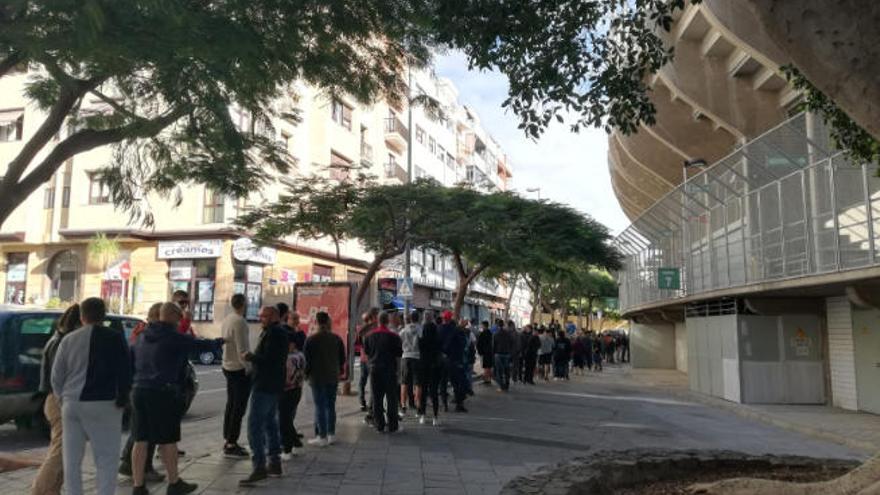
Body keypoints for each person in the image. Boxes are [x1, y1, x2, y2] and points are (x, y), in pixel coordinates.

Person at [130, 302, 221, 495]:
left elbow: (132, 360)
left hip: (139, 390)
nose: (179, 321)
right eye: (178, 317)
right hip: (162, 392)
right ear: (171, 316)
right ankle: (174, 483)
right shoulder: (173, 336)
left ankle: (138, 486)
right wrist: (220, 342)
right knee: (168, 440)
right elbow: (200, 345)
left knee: (141, 439)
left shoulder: (142, 335)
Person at [51, 297, 131, 495]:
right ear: (103, 315)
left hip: (72, 404)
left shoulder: (69, 339)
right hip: (105, 403)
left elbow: (57, 376)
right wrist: (123, 398)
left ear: (82, 316)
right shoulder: (114, 338)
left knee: (71, 459)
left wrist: (62, 399)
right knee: (106, 459)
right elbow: (125, 371)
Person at [32, 304, 81, 495]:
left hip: (56, 399)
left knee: (63, 450)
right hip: (60, 400)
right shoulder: (63, 343)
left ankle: (51, 490)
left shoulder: (58, 338)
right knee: (60, 452)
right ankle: (41, 490)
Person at [238, 306, 287, 486]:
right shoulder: (275, 332)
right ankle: (274, 462)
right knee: (270, 423)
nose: (261, 319)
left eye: (264, 316)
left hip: (265, 385)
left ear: (274, 316)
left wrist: (250, 356)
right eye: (260, 316)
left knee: (254, 426)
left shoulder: (274, 334)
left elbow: (270, 360)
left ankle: (259, 466)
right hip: (272, 385)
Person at [118, 303, 163, 481]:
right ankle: (142, 467)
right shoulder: (150, 335)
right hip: (147, 386)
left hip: (137, 385)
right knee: (147, 430)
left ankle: (130, 462)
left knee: (140, 428)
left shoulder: (140, 333)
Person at [303, 311, 345, 446]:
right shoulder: (336, 339)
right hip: (332, 376)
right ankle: (331, 434)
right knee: (330, 406)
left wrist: (305, 374)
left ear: (316, 322)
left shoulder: (311, 340)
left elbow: (306, 360)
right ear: (328, 322)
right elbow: (342, 358)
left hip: (316, 377)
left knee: (320, 406)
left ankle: (321, 436)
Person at [221, 294, 251, 459]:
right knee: (238, 407)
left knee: (231, 404)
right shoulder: (240, 322)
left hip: (227, 365)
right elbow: (242, 349)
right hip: (238, 368)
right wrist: (249, 368)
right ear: (244, 304)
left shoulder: (227, 319)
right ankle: (232, 443)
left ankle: (228, 439)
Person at [365, 311, 403, 433]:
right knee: (391, 398)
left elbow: (367, 353)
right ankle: (393, 425)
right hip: (389, 370)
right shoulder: (394, 337)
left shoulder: (369, 336)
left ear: (378, 321)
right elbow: (398, 355)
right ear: (388, 321)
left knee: (376, 398)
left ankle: (379, 424)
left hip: (374, 369)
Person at [279, 331, 305, 460]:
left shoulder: (288, 358)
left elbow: (285, 378)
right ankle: (296, 441)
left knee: (284, 420)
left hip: (286, 391)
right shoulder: (300, 355)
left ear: (292, 344)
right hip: (297, 390)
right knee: (287, 418)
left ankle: (287, 449)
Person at [418, 310, 443, 426]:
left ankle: (422, 415)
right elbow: (440, 347)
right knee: (434, 391)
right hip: (435, 365)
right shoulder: (437, 331)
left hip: (423, 364)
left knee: (423, 390)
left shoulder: (422, 331)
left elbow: (419, 346)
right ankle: (435, 417)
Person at [440, 311, 468, 412]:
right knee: (456, 383)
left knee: (443, 383)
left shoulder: (439, 329)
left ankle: (444, 405)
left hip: (442, 360)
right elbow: (462, 345)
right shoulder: (456, 330)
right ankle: (459, 405)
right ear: (451, 318)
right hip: (454, 360)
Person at [398, 311, 422, 419]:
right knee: (418, 383)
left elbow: (398, 342)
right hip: (417, 357)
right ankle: (418, 407)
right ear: (418, 318)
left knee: (404, 383)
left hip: (405, 357)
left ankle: (403, 407)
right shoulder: (421, 329)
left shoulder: (404, 330)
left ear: (410, 318)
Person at [355, 309, 378, 412]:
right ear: (372, 318)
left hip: (364, 359)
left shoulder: (361, 328)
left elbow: (357, 341)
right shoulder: (374, 329)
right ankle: (370, 404)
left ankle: (362, 402)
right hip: (372, 359)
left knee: (362, 381)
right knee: (372, 383)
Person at [492, 320, 516, 391]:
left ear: (498, 326)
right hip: (507, 354)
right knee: (506, 370)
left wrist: (493, 354)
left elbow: (494, 346)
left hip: (498, 354)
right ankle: (507, 384)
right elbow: (512, 343)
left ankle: (501, 386)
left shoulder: (495, 334)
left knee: (499, 371)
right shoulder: (508, 334)